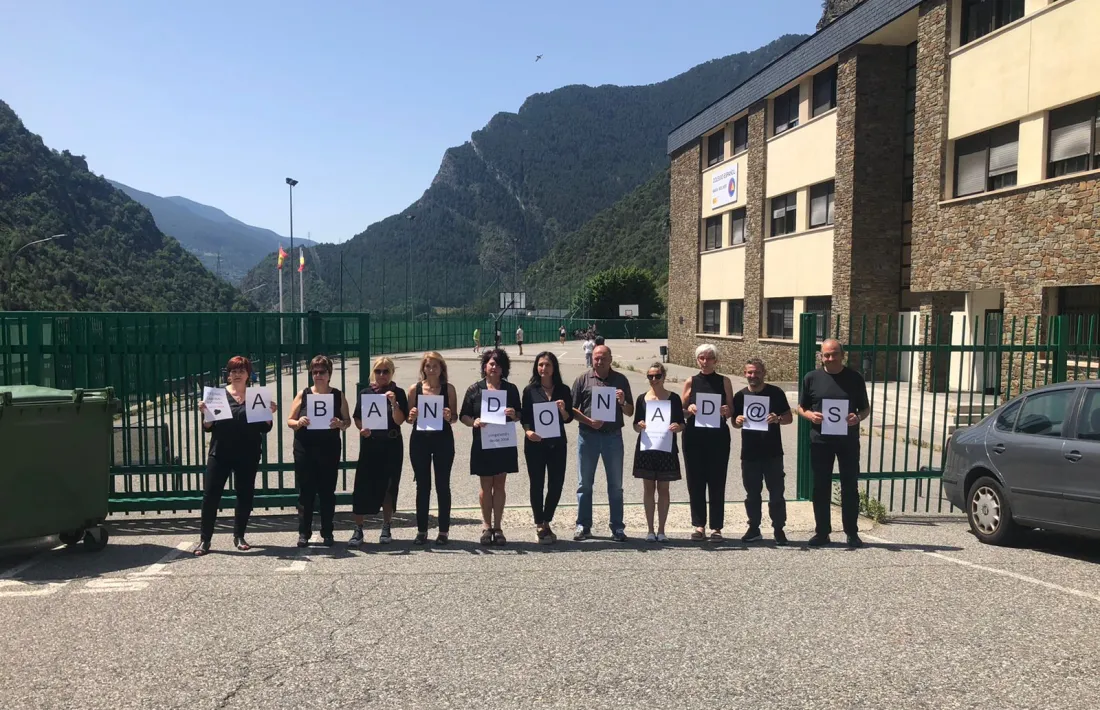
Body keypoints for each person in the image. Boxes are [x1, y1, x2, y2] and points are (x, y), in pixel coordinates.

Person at [194, 356, 278, 555]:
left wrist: (269, 413)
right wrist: (205, 413)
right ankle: (205, 540)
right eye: (233, 371)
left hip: (248, 453)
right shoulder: (218, 396)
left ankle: (239, 536)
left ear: (249, 374)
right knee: (210, 495)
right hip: (220, 452)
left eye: (241, 370)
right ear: (228, 375)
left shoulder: (256, 396)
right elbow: (208, 427)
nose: (237, 374)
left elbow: (265, 428)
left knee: (244, 494)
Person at [797, 338, 871, 548]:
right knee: (821, 487)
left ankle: (852, 533)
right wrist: (811, 416)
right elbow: (801, 407)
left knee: (850, 486)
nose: (830, 358)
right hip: (820, 441)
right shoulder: (811, 378)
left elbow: (865, 408)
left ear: (842, 355)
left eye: (834, 354)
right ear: (821, 356)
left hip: (848, 441)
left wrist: (858, 417)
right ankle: (822, 533)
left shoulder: (855, 378)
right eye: (826, 355)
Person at [571, 343, 634, 541]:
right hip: (587, 436)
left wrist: (622, 402)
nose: (599, 361)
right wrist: (589, 421)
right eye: (596, 358)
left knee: (615, 485)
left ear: (610, 360)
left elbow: (630, 411)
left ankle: (617, 527)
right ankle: (583, 525)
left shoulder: (620, 380)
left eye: (603, 358)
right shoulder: (582, 379)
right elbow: (572, 410)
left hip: (612, 437)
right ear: (592, 359)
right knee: (584, 484)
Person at [287, 355, 351, 548]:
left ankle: (327, 531)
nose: (318, 375)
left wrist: (340, 423)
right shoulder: (303, 394)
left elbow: (347, 421)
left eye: (322, 372)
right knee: (305, 492)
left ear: (329, 374)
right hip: (305, 448)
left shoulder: (338, 395)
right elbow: (290, 420)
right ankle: (303, 532)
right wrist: (299, 422)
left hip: (329, 448)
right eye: (314, 372)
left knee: (327, 492)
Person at [460, 348, 522, 546]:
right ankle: (486, 526)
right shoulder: (475, 389)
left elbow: (520, 414)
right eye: (491, 363)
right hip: (483, 442)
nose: (494, 367)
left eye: (498, 364)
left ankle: (498, 527)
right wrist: (474, 422)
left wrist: (514, 414)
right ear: (485, 366)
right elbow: (463, 415)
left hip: (503, 441)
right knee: (486, 486)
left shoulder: (511, 389)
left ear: (504, 368)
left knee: (500, 485)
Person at [732, 358, 793, 546]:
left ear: (764, 373)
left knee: (776, 494)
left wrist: (778, 418)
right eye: (750, 372)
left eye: (757, 372)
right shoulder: (740, 396)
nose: (753, 376)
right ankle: (754, 528)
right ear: (745, 374)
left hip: (773, 453)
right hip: (750, 453)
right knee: (752, 495)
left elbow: (789, 418)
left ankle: (778, 529)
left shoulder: (776, 393)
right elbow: (734, 422)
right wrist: (737, 421)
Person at [349, 356, 407, 546]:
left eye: (386, 371)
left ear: (392, 373)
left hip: (392, 443)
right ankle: (358, 529)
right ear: (373, 373)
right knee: (362, 486)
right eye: (378, 371)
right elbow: (357, 417)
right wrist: (362, 428)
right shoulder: (366, 393)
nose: (382, 375)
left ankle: (386, 525)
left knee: (389, 487)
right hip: (371, 443)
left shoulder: (398, 392)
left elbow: (400, 420)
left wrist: (394, 403)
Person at [681, 344, 735, 541]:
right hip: (694, 437)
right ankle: (699, 525)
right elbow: (681, 410)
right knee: (695, 481)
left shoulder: (724, 381)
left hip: (718, 437)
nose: (705, 361)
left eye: (709, 358)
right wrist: (689, 409)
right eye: (701, 358)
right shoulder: (691, 381)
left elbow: (731, 409)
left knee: (717, 481)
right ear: (697, 360)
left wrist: (726, 411)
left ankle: (716, 527)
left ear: (715, 360)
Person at [520, 351, 573, 544]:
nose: (544, 368)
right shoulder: (530, 390)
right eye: (541, 364)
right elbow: (525, 417)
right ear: (536, 367)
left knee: (556, 484)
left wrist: (563, 410)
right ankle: (539, 524)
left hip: (557, 443)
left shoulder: (563, 390)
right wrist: (528, 432)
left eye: (547, 365)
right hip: (535, 443)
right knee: (537, 484)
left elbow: (568, 418)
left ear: (554, 368)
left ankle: (547, 519)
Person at [406, 352, 458, 545]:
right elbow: (408, 418)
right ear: (423, 369)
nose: (431, 369)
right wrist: (412, 415)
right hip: (420, 440)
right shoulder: (415, 389)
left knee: (442, 485)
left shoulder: (448, 389)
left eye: (435, 366)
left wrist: (449, 416)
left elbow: (455, 417)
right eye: (428, 366)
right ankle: (422, 530)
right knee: (422, 486)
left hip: (443, 439)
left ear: (441, 368)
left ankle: (443, 531)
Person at [632, 362, 684, 543]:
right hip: (646, 448)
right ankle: (650, 530)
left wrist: (677, 427)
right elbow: (635, 426)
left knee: (663, 489)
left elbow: (682, 424)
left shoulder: (674, 398)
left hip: (666, 448)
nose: (654, 379)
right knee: (648, 489)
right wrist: (639, 426)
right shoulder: (642, 399)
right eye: (650, 376)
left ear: (664, 377)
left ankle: (661, 530)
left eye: (657, 376)